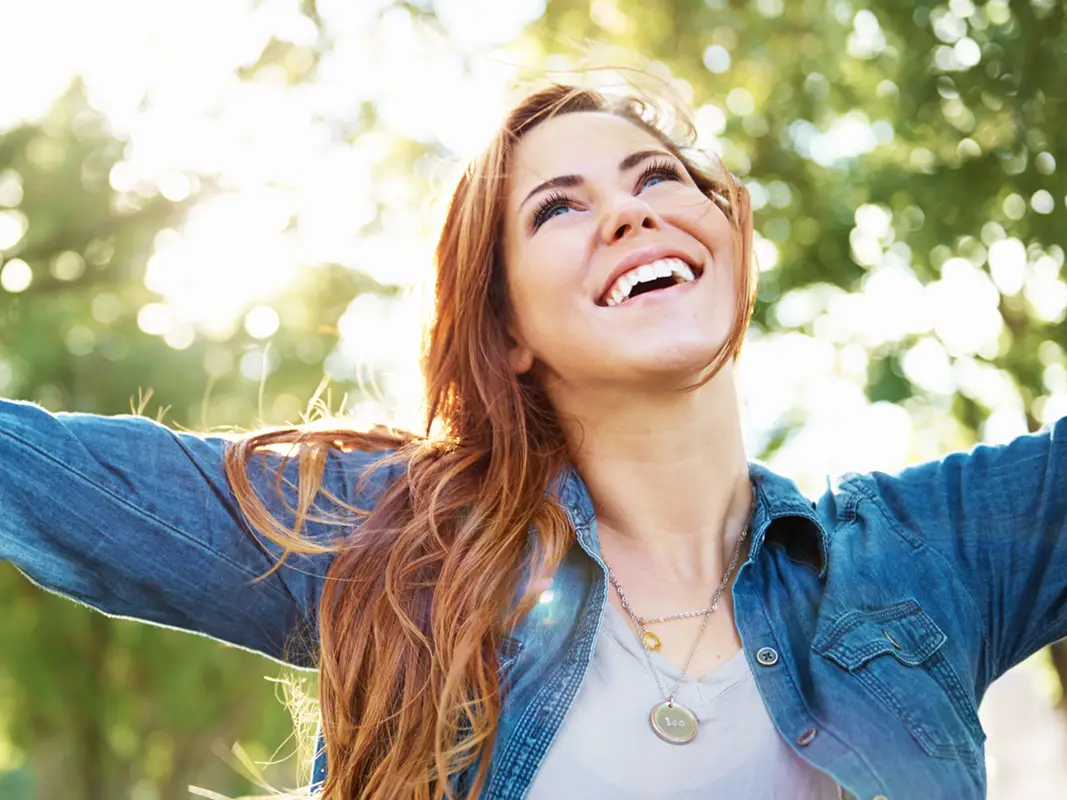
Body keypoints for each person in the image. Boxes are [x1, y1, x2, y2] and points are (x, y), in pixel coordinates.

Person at [1, 79, 1065, 800]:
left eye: (658, 179)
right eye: (559, 208)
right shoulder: (389, 542)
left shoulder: (926, 555)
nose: (629, 213)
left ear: (728, 238)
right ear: (505, 328)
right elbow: (44, 475)